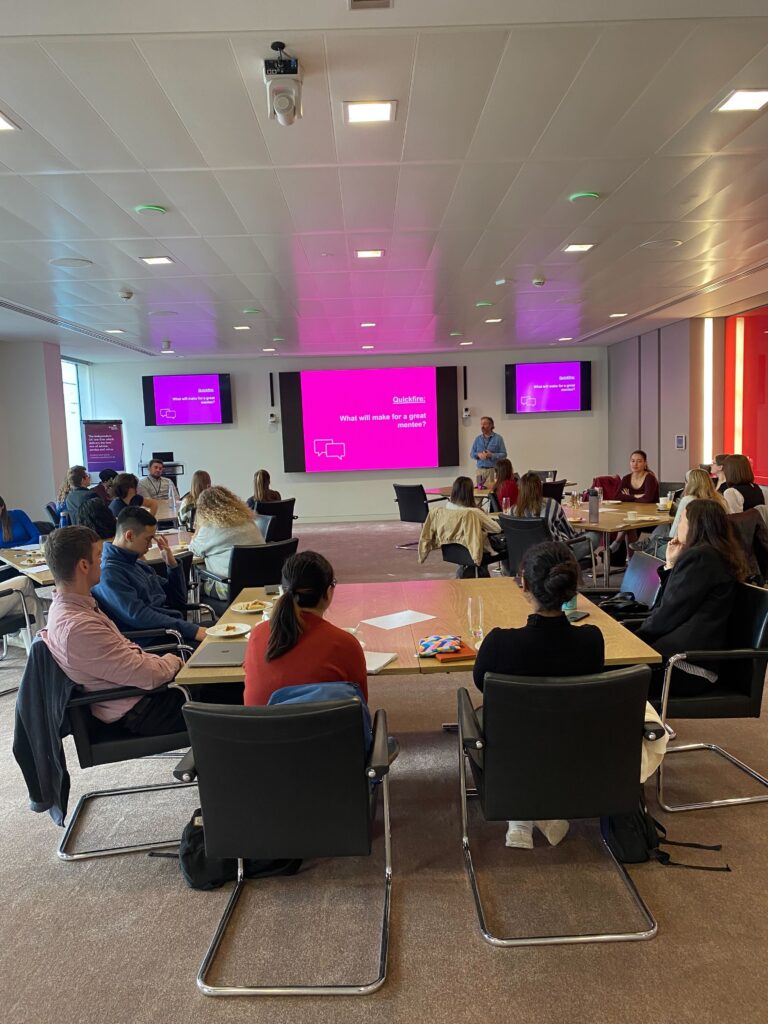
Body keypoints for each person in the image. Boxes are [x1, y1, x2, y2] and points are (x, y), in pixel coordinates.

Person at [472, 541, 604, 849]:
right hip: (572, 747)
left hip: (510, 750)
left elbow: (481, 684)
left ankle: (521, 814)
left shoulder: (499, 644)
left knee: (480, 713)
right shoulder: (592, 641)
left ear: (525, 585)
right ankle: (544, 812)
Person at [40, 526, 187, 736]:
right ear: (83, 565)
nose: (102, 561)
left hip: (146, 694)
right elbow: (150, 676)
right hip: (144, 709)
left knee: (228, 685)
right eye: (98, 555)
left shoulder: (77, 608)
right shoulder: (78, 628)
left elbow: (132, 660)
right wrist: (176, 661)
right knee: (232, 696)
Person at [637, 500, 748, 695]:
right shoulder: (715, 555)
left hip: (684, 665)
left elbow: (667, 612)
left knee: (604, 673)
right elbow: (668, 606)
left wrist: (634, 639)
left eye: (682, 519)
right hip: (688, 658)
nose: (677, 524)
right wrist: (671, 566)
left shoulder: (700, 558)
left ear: (696, 525)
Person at [244, 551, 367, 706]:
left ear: (283, 590)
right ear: (328, 592)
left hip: (263, 729)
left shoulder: (258, 635)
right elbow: (360, 703)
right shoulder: (345, 643)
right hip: (328, 729)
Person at [93, 506, 205, 647]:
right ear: (129, 536)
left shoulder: (136, 563)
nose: (151, 544)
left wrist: (172, 565)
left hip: (173, 631)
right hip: (157, 641)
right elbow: (140, 616)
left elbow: (177, 601)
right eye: (148, 539)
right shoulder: (109, 573)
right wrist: (191, 630)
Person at [631, 468, 726, 557]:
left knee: (650, 550)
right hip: (714, 545)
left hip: (687, 547)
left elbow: (675, 533)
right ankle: (649, 544)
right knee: (663, 528)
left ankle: (647, 546)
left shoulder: (689, 500)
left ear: (690, 484)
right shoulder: (720, 499)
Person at [189, 486, 264, 598]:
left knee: (195, 585)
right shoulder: (248, 521)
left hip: (227, 588)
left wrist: (198, 528)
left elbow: (193, 549)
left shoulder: (209, 528)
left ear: (203, 510)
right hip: (260, 584)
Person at [470, 416, 507, 487]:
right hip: (480, 471)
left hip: (492, 471)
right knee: (479, 492)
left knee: (491, 492)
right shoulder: (478, 439)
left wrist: (491, 455)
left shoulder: (498, 438)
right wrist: (478, 455)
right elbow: (472, 454)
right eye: (481, 424)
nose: (482, 426)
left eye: (484, 424)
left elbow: (504, 454)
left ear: (491, 425)